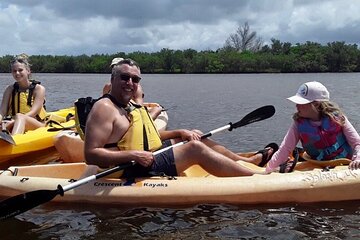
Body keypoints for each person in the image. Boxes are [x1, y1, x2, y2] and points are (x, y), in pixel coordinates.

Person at [84, 58, 277, 178]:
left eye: (135, 80)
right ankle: (254, 177)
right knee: (194, 149)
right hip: (127, 167)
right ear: (113, 80)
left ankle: (248, 161)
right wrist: (134, 155)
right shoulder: (104, 108)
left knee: (194, 137)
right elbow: (91, 154)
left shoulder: (129, 105)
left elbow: (144, 137)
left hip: (145, 156)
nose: (130, 83)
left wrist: (180, 132)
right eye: (125, 77)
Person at [265, 81, 360, 173]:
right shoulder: (298, 124)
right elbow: (285, 148)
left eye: (301, 103)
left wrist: (357, 159)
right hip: (317, 165)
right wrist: (268, 170)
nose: (297, 106)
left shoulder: (338, 118)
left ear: (316, 104)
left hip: (344, 163)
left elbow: (357, 143)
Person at [0, 54, 47, 135]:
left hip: (36, 124)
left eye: (20, 70)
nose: (17, 73)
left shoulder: (39, 89)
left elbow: (33, 113)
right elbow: (2, 112)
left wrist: (13, 122)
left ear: (28, 71)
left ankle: (15, 141)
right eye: (14, 71)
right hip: (14, 122)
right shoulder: (9, 89)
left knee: (20, 116)